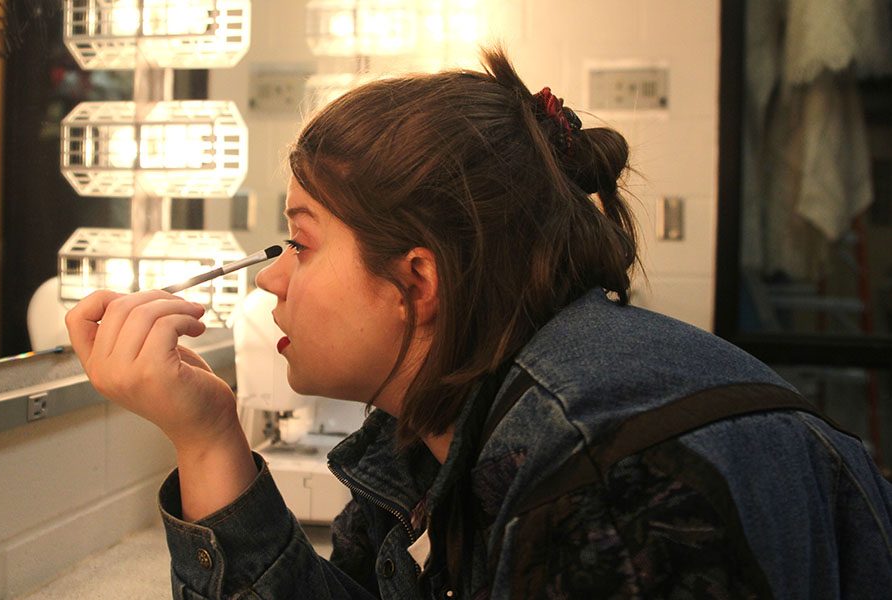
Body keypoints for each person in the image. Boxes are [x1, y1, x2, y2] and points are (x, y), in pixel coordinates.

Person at [65, 48, 892, 600]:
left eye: (302, 242)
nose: (272, 279)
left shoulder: (607, 487)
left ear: (417, 280)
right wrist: (209, 438)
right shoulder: (432, 435)